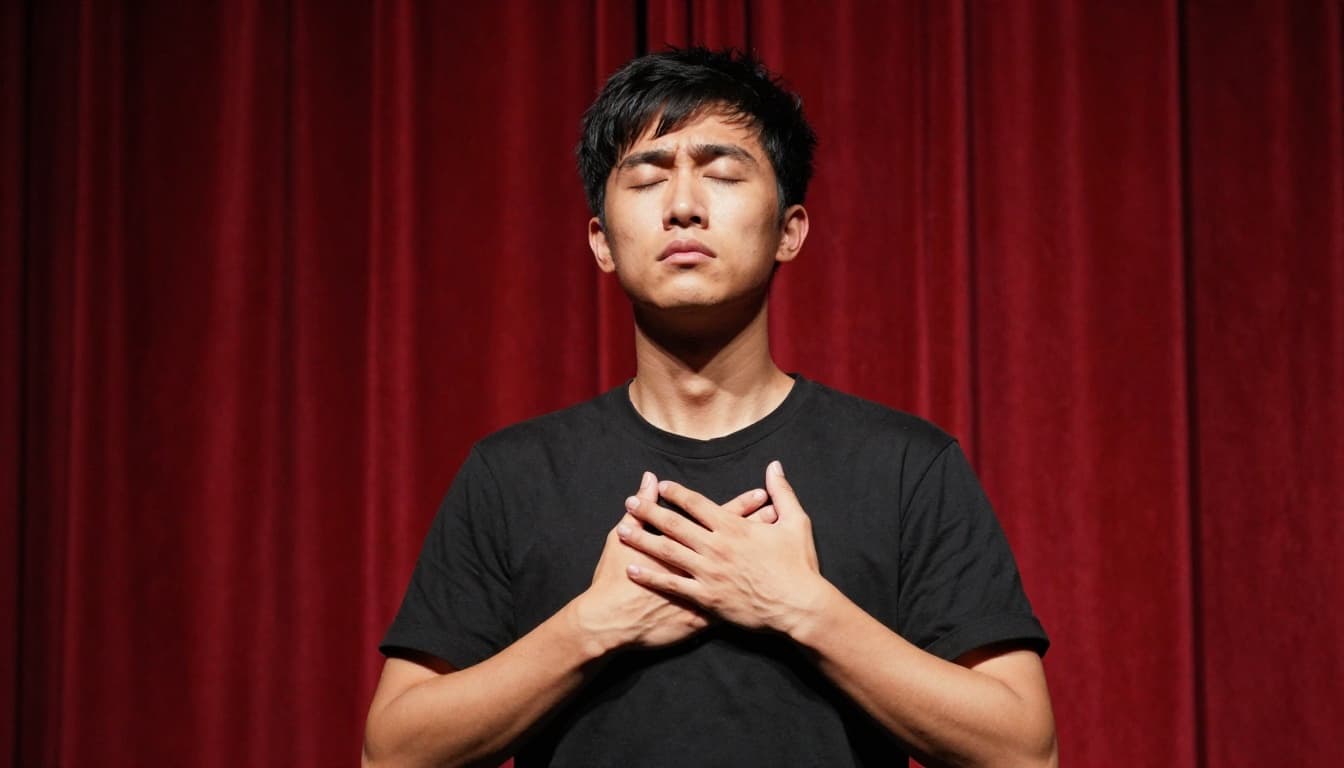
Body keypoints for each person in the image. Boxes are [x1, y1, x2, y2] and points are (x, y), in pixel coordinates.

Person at [362, 47, 1057, 768]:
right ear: (601, 242)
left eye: (723, 173)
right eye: (647, 176)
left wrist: (801, 608)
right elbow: (392, 753)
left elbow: (1023, 750)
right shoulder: (513, 475)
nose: (684, 205)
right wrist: (590, 628)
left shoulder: (908, 465)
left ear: (790, 230)